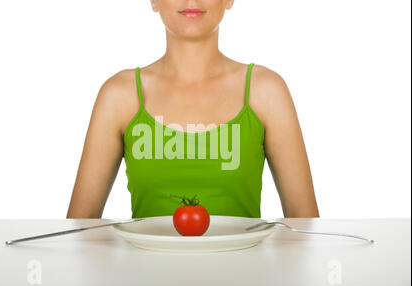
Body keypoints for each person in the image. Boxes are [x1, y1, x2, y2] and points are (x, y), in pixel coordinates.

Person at [67, 0, 319, 219]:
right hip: (144, 274)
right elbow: (79, 228)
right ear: (153, 1)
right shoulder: (120, 95)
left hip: (244, 274)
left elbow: (305, 226)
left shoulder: (266, 91)